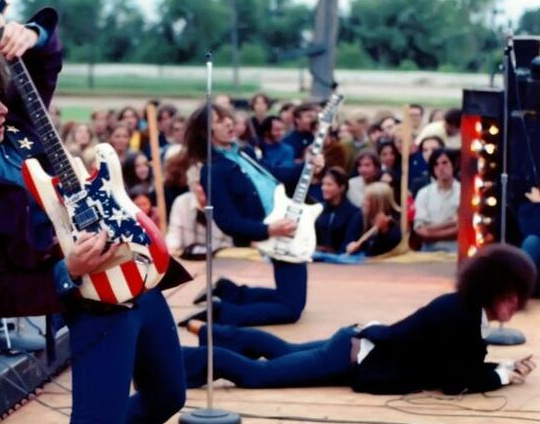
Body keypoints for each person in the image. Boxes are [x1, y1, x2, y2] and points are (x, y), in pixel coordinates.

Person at [0, 9, 189, 424]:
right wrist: (67, 271)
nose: (1, 108)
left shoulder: (15, 123)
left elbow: (46, 57)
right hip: (94, 303)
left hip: (141, 272)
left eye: (0, 97)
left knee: (167, 396)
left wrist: (30, 34)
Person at [182, 243, 537, 395]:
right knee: (257, 375)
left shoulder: (464, 310)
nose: (513, 306)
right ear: (492, 288)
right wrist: (502, 374)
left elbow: (458, 364)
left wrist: (502, 367)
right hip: (353, 356)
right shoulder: (461, 317)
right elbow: (455, 382)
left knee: (281, 350)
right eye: (510, 297)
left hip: (355, 344)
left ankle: (215, 331)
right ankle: (181, 362)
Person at [182, 102, 324, 326]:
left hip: (282, 224)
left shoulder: (245, 152)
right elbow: (227, 220)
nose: (230, 122)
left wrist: (307, 167)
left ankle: (229, 292)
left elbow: (275, 174)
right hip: (273, 232)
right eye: (219, 121)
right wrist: (268, 230)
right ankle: (221, 314)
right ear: (205, 132)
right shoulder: (213, 171)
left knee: (292, 302)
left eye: (228, 117)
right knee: (290, 309)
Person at [166, 164, 233, 256]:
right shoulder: (181, 203)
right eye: (199, 184)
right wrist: (169, 250)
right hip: (190, 260)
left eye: (209, 184)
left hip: (220, 260)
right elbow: (174, 237)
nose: (204, 188)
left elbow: (229, 242)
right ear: (192, 184)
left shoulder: (226, 203)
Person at [414, 148, 460, 252]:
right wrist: (450, 223)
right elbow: (420, 230)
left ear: (453, 164)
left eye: (444, 163)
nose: (441, 168)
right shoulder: (423, 193)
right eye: (436, 164)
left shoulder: (463, 192)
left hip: (455, 249)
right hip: (428, 250)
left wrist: (430, 229)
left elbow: (461, 229)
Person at [345, 182, 402, 257]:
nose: (363, 203)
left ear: (377, 203)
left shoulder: (395, 219)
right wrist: (351, 246)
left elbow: (392, 248)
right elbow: (350, 240)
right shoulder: (359, 217)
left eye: (367, 200)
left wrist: (384, 230)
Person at [314, 167, 360, 254]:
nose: (324, 188)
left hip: (339, 262)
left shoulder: (354, 213)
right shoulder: (318, 209)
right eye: (323, 184)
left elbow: (348, 242)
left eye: (329, 185)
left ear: (342, 188)